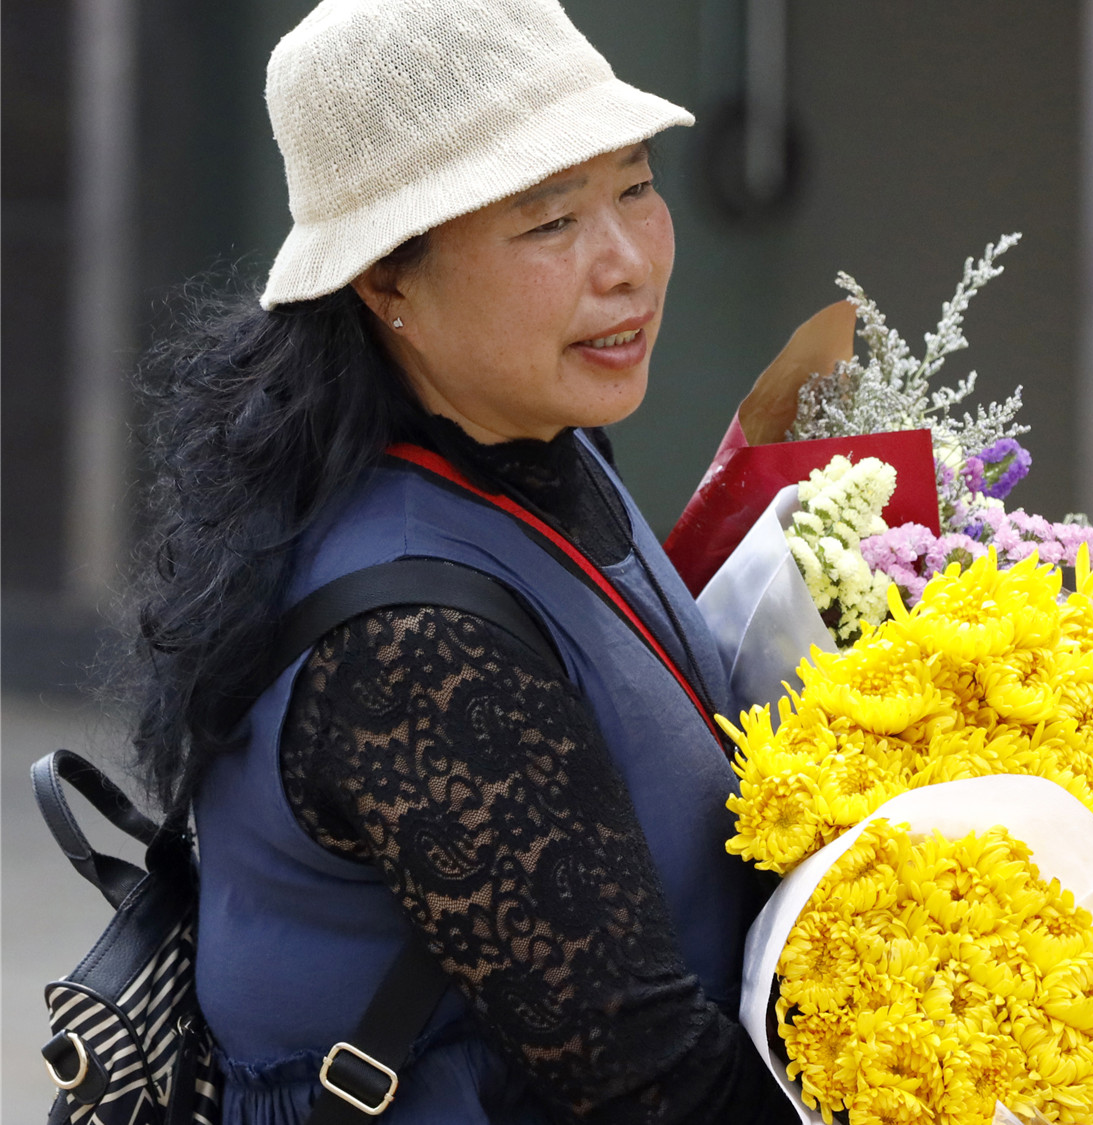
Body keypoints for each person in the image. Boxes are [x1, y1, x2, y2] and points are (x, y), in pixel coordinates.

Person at [122, 0, 795, 1120]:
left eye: (635, 186)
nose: (628, 262)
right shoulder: (411, 648)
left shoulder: (539, 445)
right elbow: (652, 1082)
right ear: (386, 282)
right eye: (551, 222)